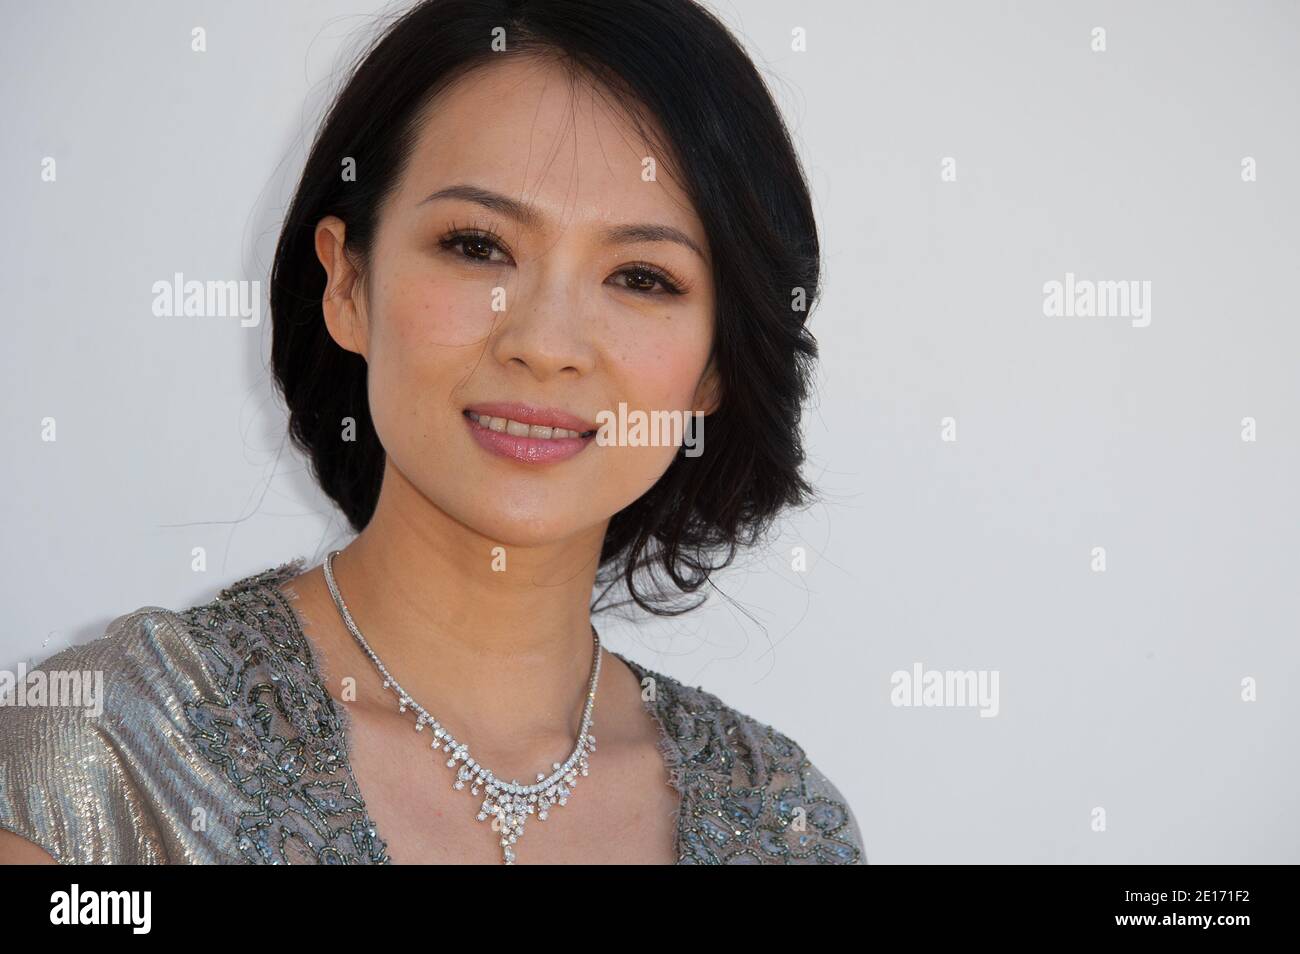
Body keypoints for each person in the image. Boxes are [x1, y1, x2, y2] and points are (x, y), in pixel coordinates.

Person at [0, 0, 863, 865]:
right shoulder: (114, 758)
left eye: (641, 276)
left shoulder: (785, 827)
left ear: (716, 363)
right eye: (478, 246)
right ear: (346, 285)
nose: (545, 345)